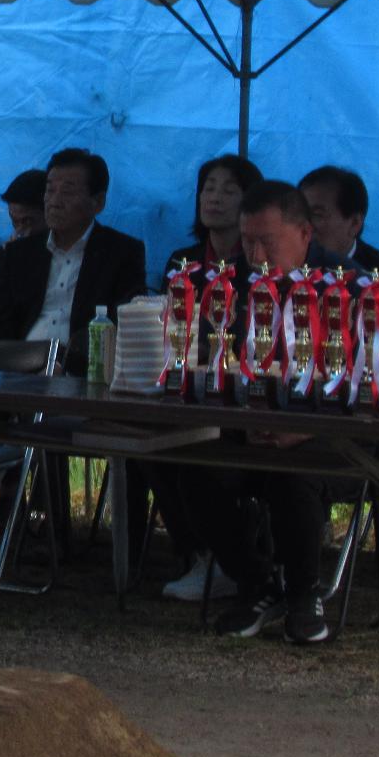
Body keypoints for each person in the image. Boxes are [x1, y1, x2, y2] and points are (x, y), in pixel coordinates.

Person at [180, 181, 353, 645]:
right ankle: (256, 581)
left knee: (294, 472)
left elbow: (362, 381)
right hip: (248, 426)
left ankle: (303, 592)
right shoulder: (227, 282)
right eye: (248, 241)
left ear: (304, 233)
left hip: (330, 433)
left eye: (267, 241)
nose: (255, 253)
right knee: (192, 462)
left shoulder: (345, 285)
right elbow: (208, 359)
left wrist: (301, 427)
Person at [153, 153, 262, 601]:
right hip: (184, 387)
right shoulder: (183, 260)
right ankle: (200, 556)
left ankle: (234, 563)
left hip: (238, 395)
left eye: (228, 189)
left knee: (200, 459)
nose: (214, 198)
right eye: (208, 188)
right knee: (151, 450)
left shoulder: (258, 265)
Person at [0, 148, 147, 375]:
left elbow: (123, 325)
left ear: (98, 202)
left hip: (81, 373)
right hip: (17, 369)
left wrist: (71, 365)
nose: (54, 201)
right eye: (49, 190)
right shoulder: (16, 255)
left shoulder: (121, 253)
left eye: (67, 192)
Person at [299, 165, 379, 278]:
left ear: (354, 224)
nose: (304, 225)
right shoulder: (286, 264)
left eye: (317, 215)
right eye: (299, 212)